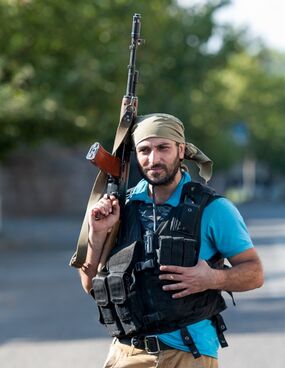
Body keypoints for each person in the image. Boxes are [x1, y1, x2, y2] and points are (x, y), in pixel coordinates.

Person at [78, 113, 264, 368]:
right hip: (127, 354)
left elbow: (255, 273)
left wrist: (213, 278)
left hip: (189, 353)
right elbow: (91, 286)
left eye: (162, 148)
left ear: (181, 150)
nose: (153, 159)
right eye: (144, 150)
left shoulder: (213, 209)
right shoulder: (119, 209)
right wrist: (97, 235)